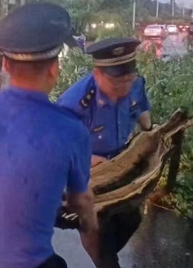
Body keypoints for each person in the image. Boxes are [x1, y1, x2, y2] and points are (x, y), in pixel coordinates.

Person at [0, 3, 100, 268]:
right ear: (54, 70)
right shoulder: (71, 129)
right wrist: (91, 227)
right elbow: (81, 200)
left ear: (6, 67)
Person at [57, 37, 152, 268]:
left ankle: (104, 253)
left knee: (132, 217)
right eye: (116, 83)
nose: (124, 87)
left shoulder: (136, 84)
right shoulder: (75, 103)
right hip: (88, 174)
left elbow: (143, 113)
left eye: (128, 79)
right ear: (98, 74)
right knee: (102, 238)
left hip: (122, 164)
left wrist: (153, 136)